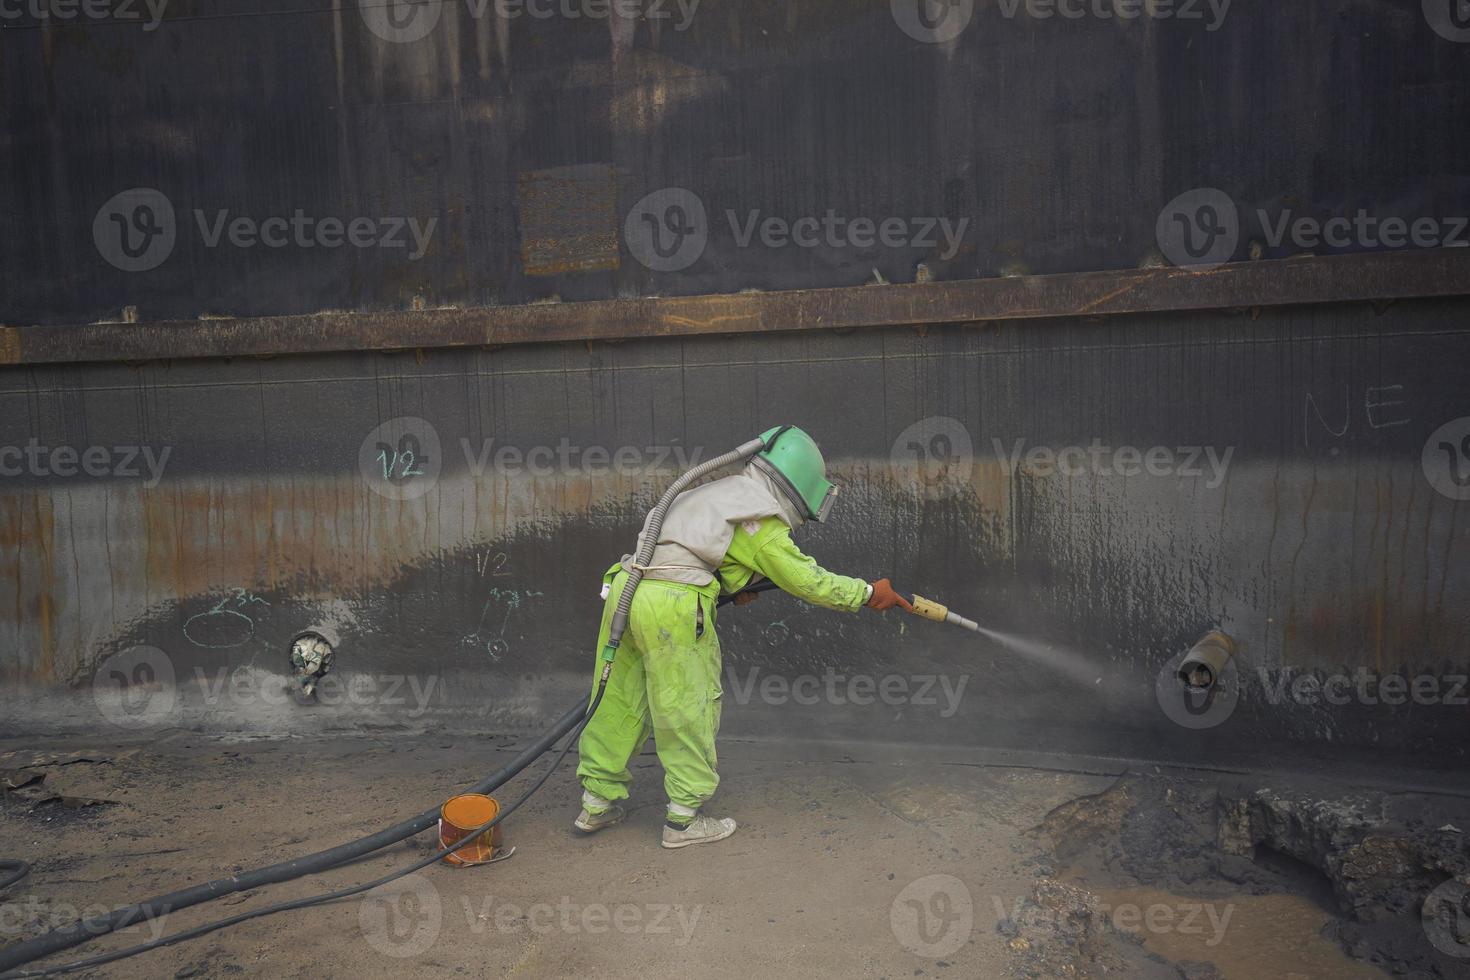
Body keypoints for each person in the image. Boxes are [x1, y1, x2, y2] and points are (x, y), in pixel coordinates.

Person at [573, 425, 913, 849]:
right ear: (803, 486)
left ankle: (595, 804)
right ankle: (682, 820)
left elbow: (688, 549)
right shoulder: (760, 517)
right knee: (686, 704)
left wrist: (732, 586)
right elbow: (806, 579)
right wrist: (865, 594)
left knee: (618, 700)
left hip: (627, 589)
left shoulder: (720, 490)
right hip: (673, 604)